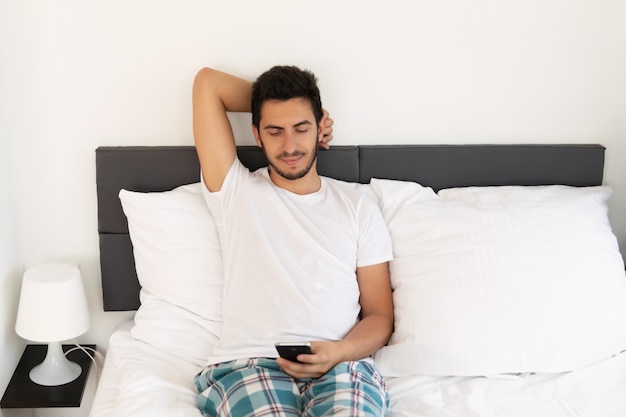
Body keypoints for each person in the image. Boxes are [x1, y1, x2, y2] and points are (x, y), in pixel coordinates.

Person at [191, 65, 394, 417]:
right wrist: (295, 110)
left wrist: (339, 352)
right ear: (256, 134)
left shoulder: (357, 208)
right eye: (275, 130)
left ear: (320, 128)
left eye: (301, 128)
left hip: (342, 366)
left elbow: (379, 315)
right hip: (250, 366)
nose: (289, 145)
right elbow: (208, 83)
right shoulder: (235, 192)